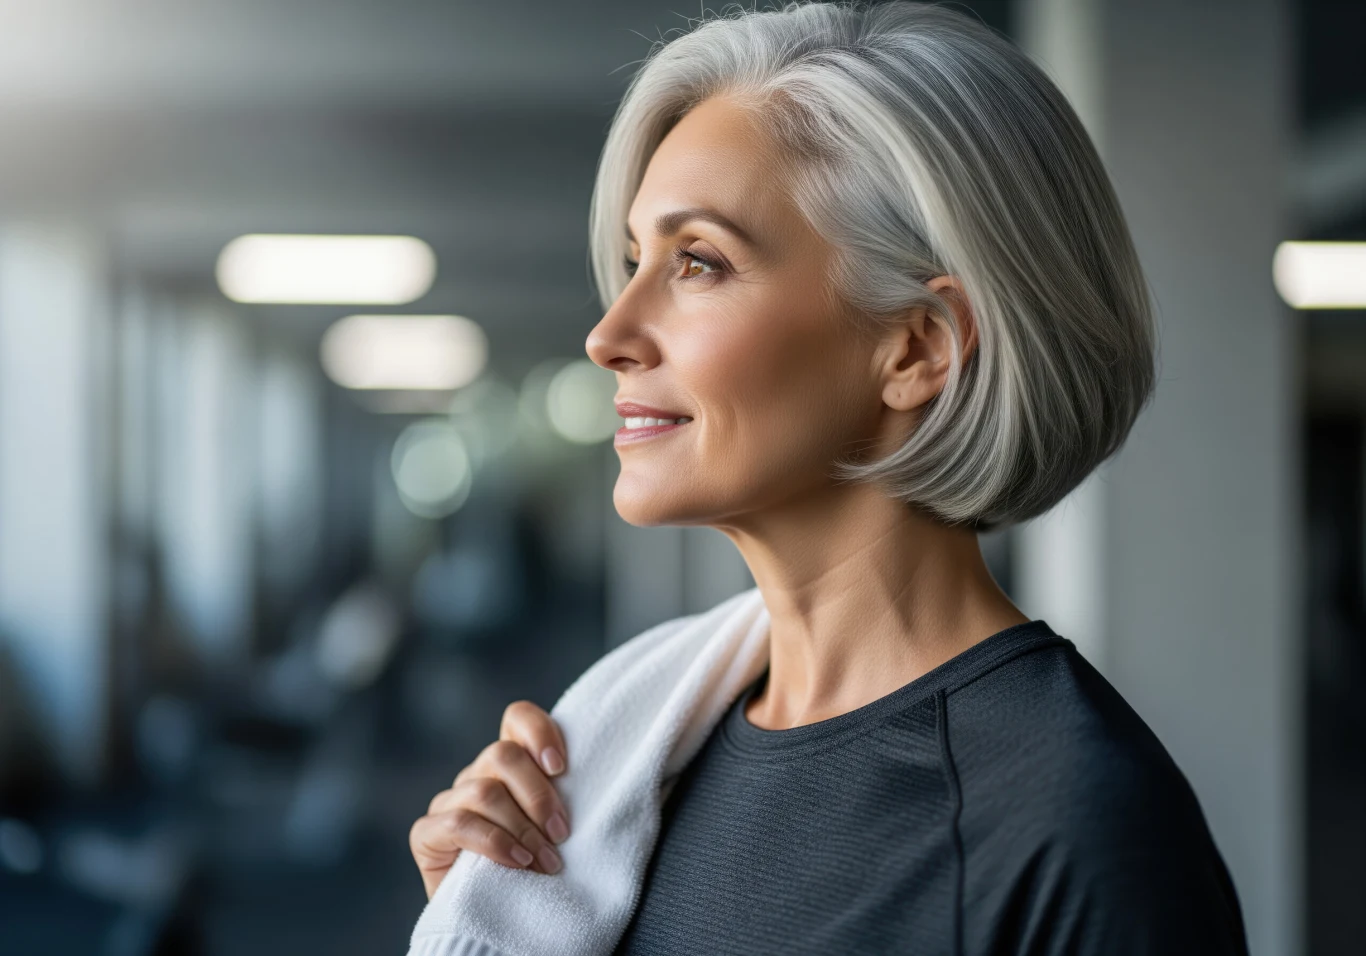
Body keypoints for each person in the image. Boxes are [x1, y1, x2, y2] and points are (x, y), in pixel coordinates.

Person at [409, 2, 1250, 952]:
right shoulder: (625, 765)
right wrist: (487, 909)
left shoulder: (1076, 833)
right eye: (637, 259)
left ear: (916, 349)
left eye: (699, 262)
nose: (608, 336)